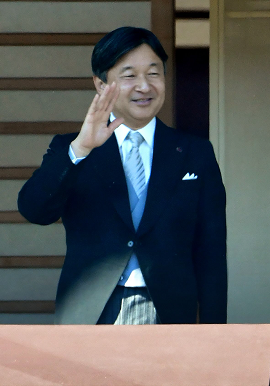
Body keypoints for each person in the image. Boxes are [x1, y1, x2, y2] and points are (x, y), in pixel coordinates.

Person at [18, 27, 227, 325]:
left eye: (153, 73)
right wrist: (81, 149)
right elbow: (34, 210)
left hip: (170, 312)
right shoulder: (72, 148)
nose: (144, 86)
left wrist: (214, 331)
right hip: (91, 311)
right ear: (101, 84)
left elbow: (212, 252)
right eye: (129, 76)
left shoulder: (195, 152)